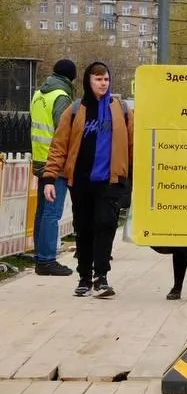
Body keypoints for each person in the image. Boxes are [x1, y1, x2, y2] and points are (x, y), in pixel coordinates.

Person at [39, 61, 134, 298]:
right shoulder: (74, 110)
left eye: (106, 79)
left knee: (106, 224)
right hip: (81, 181)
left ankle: (101, 277)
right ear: (88, 81)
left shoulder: (121, 110)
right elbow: (59, 146)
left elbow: (134, 145)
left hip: (110, 181)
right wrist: (50, 177)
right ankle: (83, 277)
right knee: (84, 228)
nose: (103, 83)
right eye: (98, 79)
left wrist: (135, 175)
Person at [29, 58, 77, 276]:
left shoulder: (39, 94)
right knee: (52, 212)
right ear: (70, 77)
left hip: (40, 159)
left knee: (42, 210)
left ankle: (40, 257)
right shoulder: (61, 97)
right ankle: (47, 260)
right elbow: (63, 129)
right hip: (55, 162)